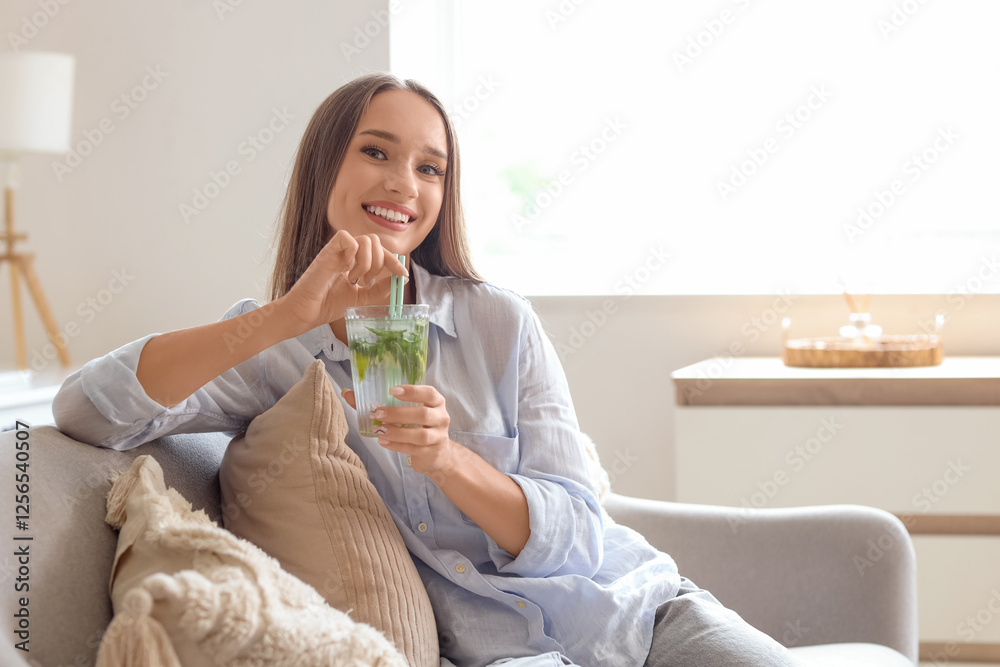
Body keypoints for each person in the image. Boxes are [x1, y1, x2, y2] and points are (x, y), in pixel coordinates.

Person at [53, 73, 802, 667]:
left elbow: (579, 530)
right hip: (501, 653)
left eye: (430, 167)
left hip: (637, 612)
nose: (404, 184)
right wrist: (286, 315)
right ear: (326, 170)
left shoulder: (498, 321)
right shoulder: (276, 352)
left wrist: (446, 459)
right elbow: (86, 409)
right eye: (376, 152)